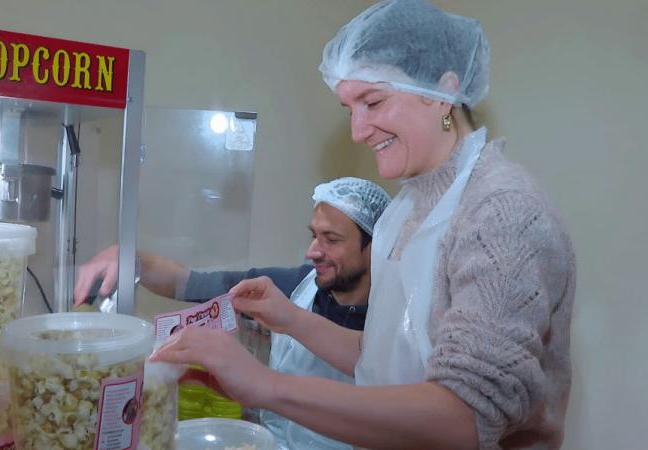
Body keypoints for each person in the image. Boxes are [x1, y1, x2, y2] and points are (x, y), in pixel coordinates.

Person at [150, 1, 577, 449]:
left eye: (373, 101)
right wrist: (291, 319)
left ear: (442, 92)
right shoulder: (407, 209)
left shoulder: (502, 212)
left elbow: (464, 419)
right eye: (348, 107)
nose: (357, 130)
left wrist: (265, 386)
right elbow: (379, 361)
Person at [73, 177, 391, 449]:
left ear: (375, 246)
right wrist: (131, 259)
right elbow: (189, 282)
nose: (312, 252)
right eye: (313, 236)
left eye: (331, 239)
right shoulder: (295, 286)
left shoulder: (398, 317)